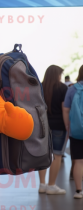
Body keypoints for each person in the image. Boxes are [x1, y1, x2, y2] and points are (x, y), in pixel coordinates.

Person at [38, 65, 68, 195]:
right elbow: (64, 109)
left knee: (43, 154)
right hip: (58, 125)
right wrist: (67, 126)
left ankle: (42, 184)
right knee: (57, 155)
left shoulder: (40, 87)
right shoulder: (62, 88)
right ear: (57, 75)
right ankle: (52, 185)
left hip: (42, 125)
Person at [63, 65, 83, 199]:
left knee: (78, 161)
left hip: (76, 130)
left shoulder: (72, 89)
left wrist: (67, 126)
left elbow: (65, 109)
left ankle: (78, 191)